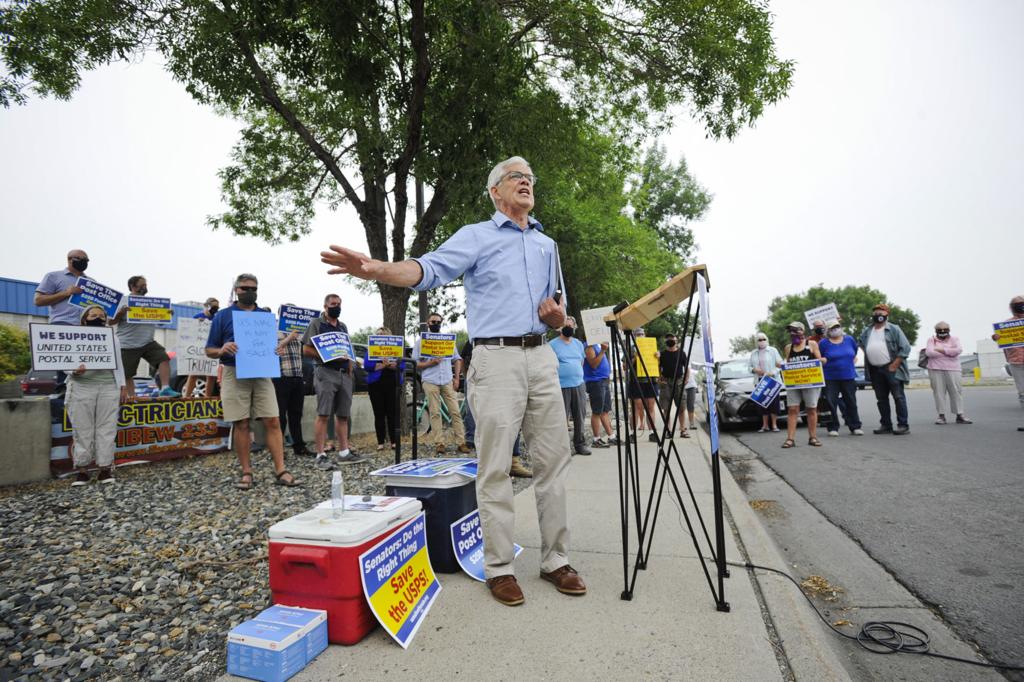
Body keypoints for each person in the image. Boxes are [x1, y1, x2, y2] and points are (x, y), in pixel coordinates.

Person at [320, 155, 586, 606]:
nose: (525, 181)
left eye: (529, 176)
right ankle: (499, 566)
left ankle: (555, 560)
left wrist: (559, 317)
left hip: (541, 358)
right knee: (496, 465)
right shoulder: (477, 236)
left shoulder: (548, 244)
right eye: (515, 177)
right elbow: (428, 269)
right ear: (495, 192)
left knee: (552, 462)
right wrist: (378, 268)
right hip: (495, 359)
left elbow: (558, 305)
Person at [205, 273, 299, 489]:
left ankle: (281, 469)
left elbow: (269, 346)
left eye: (253, 288)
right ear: (236, 290)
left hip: (262, 373)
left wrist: (277, 348)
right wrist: (222, 349)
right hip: (233, 371)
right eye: (245, 288)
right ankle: (247, 472)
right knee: (242, 422)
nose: (249, 292)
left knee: (273, 420)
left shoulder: (265, 316)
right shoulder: (223, 316)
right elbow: (209, 350)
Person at [67, 305, 129, 485]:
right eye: (93, 315)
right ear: (84, 319)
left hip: (108, 386)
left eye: (101, 315)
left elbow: (119, 363)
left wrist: (122, 385)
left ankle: (105, 469)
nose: (97, 318)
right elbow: (62, 358)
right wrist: (73, 370)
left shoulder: (113, 338)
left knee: (107, 428)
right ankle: (82, 470)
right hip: (81, 387)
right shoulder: (73, 337)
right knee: (82, 429)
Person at [302, 294, 360, 468]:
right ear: (325, 306)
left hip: (344, 374)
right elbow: (306, 349)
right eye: (334, 304)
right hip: (325, 372)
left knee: (343, 415)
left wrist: (350, 364)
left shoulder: (343, 326)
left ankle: (344, 452)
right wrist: (326, 355)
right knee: (323, 414)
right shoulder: (316, 324)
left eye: (339, 304)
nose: (337, 307)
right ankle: (320, 454)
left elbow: (347, 348)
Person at [463, 339, 532, 476]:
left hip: (505, 373)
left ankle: (513, 462)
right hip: (482, 378)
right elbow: (464, 360)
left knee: (513, 422)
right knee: (488, 425)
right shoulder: (475, 340)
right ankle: (491, 467)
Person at [111, 276, 179, 398]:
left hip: (148, 342)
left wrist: (167, 315)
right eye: (142, 285)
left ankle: (165, 388)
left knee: (163, 358)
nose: (145, 287)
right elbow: (110, 322)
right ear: (133, 286)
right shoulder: (123, 301)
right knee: (127, 374)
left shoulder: (152, 303)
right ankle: (132, 398)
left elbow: (160, 322)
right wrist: (120, 313)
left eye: (146, 285)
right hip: (127, 344)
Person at [414, 313, 472, 455]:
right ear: (428, 323)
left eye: (438, 322)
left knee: (455, 412)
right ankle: (439, 443)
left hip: (447, 380)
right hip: (430, 380)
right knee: (435, 412)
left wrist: (457, 378)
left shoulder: (448, 341)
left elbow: (457, 359)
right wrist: (430, 363)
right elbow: (415, 362)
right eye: (433, 321)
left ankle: (461, 442)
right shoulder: (421, 342)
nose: (436, 324)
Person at [34, 249, 91, 389]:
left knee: (84, 365)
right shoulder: (53, 276)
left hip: (85, 328)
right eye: (81, 258)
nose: (84, 262)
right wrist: (67, 293)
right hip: (62, 324)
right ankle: (62, 394)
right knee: (65, 365)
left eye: (87, 260)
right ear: (70, 259)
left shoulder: (91, 282)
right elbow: (38, 300)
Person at [858, 303, 912, 435]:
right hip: (875, 370)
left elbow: (905, 347)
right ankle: (886, 424)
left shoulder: (894, 329)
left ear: (887, 315)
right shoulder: (867, 330)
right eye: (875, 313)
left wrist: (895, 364)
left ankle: (903, 425)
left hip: (892, 368)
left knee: (898, 397)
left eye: (881, 313)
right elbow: (861, 343)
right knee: (881, 399)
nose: (878, 316)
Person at [551, 316, 591, 455]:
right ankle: (561, 448)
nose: (569, 327)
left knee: (580, 415)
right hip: (561, 386)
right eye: (566, 325)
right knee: (561, 417)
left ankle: (580, 444)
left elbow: (581, 362)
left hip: (579, 384)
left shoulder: (578, 344)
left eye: (571, 325)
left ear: (574, 327)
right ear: (560, 327)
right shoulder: (552, 345)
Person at [781, 321, 824, 448]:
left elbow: (819, 359)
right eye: (790, 331)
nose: (792, 333)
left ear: (802, 331)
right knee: (792, 409)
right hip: (794, 383)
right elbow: (787, 364)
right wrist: (782, 366)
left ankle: (813, 437)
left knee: (811, 409)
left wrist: (822, 360)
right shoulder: (788, 348)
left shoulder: (811, 344)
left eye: (796, 330)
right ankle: (790, 439)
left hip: (810, 382)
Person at [817, 319, 864, 436]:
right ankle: (833, 427)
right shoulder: (823, 343)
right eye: (832, 328)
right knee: (830, 402)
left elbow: (854, 351)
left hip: (848, 376)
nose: (836, 329)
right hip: (830, 377)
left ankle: (855, 426)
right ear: (827, 330)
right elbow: (820, 357)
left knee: (851, 401)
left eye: (837, 326)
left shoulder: (849, 339)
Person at [364, 326, 403, 452]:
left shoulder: (397, 349)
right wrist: (382, 365)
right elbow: (367, 365)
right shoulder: (371, 350)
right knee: (379, 414)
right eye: (378, 335)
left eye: (383, 335)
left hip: (393, 383)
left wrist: (391, 365)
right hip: (376, 385)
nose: (380, 337)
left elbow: (401, 365)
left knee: (392, 414)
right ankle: (380, 442)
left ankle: (394, 441)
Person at [274, 326, 310, 455]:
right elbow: (274, 349)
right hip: (281, 377)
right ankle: (279, 448)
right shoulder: (275, 332)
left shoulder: (300, 333)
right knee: (280, 416)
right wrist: (289, 337)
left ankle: (299, 446)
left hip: (298, 376)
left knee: (296, 414)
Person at [926, 322, 970, 425]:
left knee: (956, 391)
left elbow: (958, 350)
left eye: (945, 330)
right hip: (935, 369)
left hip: (953, 369)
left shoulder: (955, 339)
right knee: (939, 393)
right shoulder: (931, 340)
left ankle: (959, 415)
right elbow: (929, 353)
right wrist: (949, 351)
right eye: (939, 330)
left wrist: (940, 349)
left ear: (949, 330)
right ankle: (941, 416)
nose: (942, 332)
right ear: (936, 331)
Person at [992, 295, 1024, 412]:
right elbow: (1002, 338)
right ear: (1011, 307)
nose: (1021, 306)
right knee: (1022, 393)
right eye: (1017, 304)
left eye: (1022, 303)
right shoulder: (1007, 324)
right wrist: (996, 337)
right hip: (1016, 362)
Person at [183, 297, 220, 398]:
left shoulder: (216, 319)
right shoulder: (197, 316)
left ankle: (207, 397)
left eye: (217, 307)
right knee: (194, 373)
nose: (215, 309)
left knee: (211, 375)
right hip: (198, 350)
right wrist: (196, 324)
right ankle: (186, 397)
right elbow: (188, 331)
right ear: (206, 306)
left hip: (211, 348)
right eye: (213, 307)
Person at [627, 328, 659, 442]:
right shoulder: (630, 348)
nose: (640, 336)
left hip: (651, 381)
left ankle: (652, 433)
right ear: (634, 336)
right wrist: (634, 358)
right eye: (637, 334)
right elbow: (625, 367)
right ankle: (633, 433)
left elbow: (658, 366)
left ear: (645, 335)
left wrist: (658, 358)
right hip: (636, 382)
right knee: (636, 407)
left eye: (642, 334)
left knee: (651, 407)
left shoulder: (652, 347)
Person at [657, 332, 690, 438]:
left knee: (681, 407)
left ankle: (683, 430)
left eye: (672, 339)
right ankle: (668, 431)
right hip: (666, 383)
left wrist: (686, 377)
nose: (671, 340)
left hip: (679, 382)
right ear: (666, 342)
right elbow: (658, 367)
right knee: (666, 408)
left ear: (676, 341)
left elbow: (687, 367)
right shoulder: (662, 354)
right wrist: (659, 377)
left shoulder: (682, 353)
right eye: (668, 339)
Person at [749, 333, 783, 433]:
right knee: (762, 404)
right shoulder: (754, 353)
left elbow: (780, 364)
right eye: (759, 340)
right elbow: (749, 367)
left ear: (767, 339)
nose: (762, 341)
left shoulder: (773, 350)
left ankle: (774, 425)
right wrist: (755, 370)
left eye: (763, 339)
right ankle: (765, 425)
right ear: (756, 341)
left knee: (774, 403)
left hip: (772, 380)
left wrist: (773, 373)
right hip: (760, 381)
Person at [584, 339, 615, 448]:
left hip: (603, 380)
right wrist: (602, 351)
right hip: (595, 382)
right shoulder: (589, 346)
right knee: (597, 411)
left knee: (604, 410)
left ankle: (611, 436)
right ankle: (596, 439)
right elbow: (593, 364)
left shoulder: (598, 345)